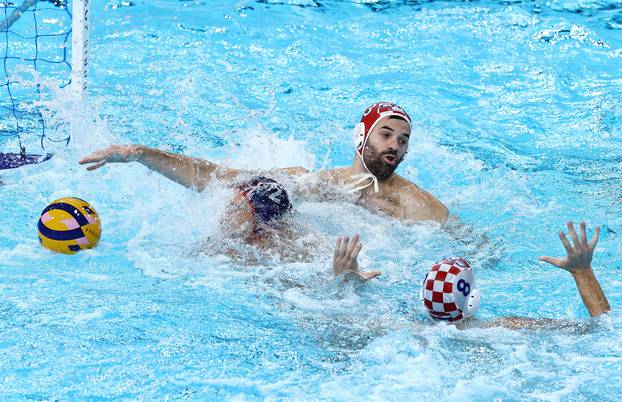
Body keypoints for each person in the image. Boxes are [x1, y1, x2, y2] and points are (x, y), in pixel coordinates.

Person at [78, 102, 448, 224]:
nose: (395, 146)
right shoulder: (315, 182)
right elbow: (214, 177)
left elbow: (475, 247)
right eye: (386, 134)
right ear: (361, 137)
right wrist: (139, 153)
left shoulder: (412, 202)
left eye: (403, 140)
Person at [332, 221, 611, 329]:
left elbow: (336, 322)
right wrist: (582, 271)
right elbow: (602, 327)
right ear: (473, 298)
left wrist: (345, 282)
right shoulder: (503, 328)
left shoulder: (400, 328)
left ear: (423, 297)